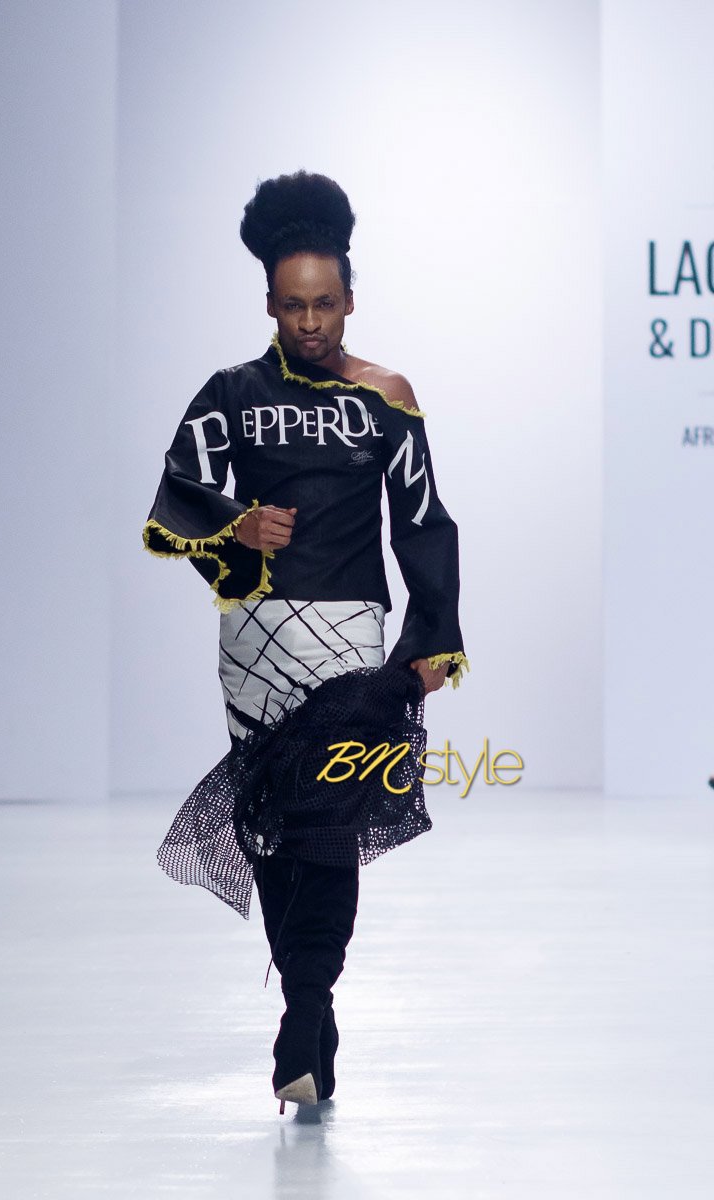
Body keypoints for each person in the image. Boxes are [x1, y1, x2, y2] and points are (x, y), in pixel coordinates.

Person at [143, 170, 468, 1112]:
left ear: (351, 300)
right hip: (253, 646)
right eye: (294, 306)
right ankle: (312, 1020)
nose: (312, 321)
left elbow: (423, 521)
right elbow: (173, 501)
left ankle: (302, 1016)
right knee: (276, 833)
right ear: (270, 305)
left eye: (325, 303)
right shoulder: (231, 394)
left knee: (328, 827)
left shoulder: (387, 396)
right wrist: (237, 527)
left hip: (351, 645)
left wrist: (435, 635)